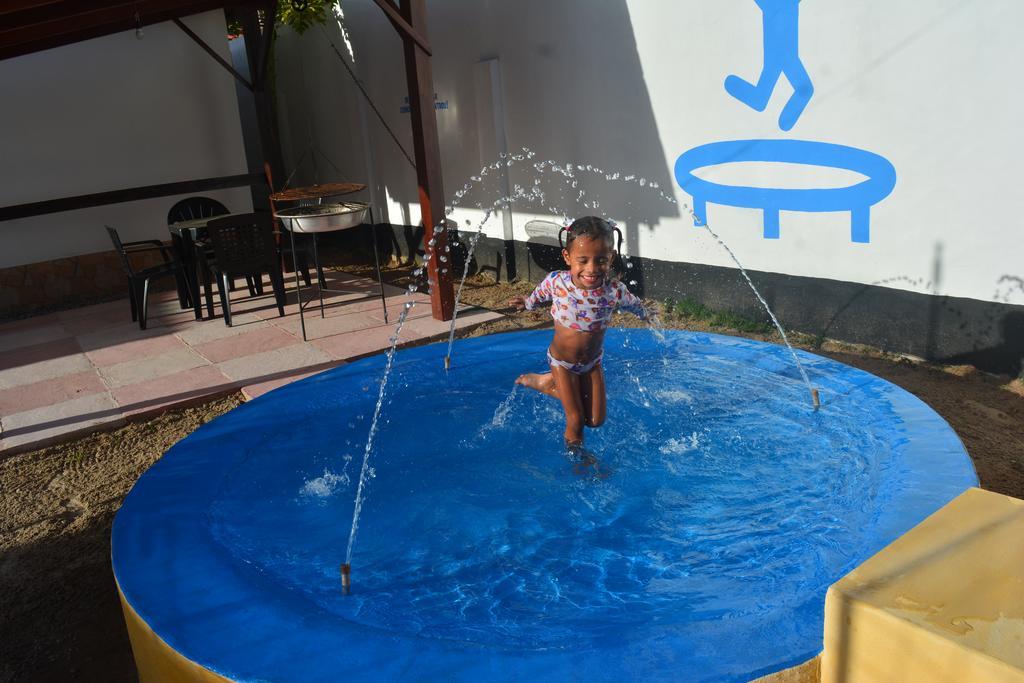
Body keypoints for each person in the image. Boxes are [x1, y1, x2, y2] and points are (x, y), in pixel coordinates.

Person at [509, 216, 648, 448]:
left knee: (595, 420)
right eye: (582, 260)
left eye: (601, 260)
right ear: (568, 257)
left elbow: (636, 305)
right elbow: (538, 296)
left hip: (592, 363)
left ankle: (545, 384)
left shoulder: (614, 290)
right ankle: (579, 465)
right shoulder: (557, 282)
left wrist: (647, 314)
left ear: (611, 258)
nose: (591, 269)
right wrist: (527, 303)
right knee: (575, 420)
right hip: (561, 363)